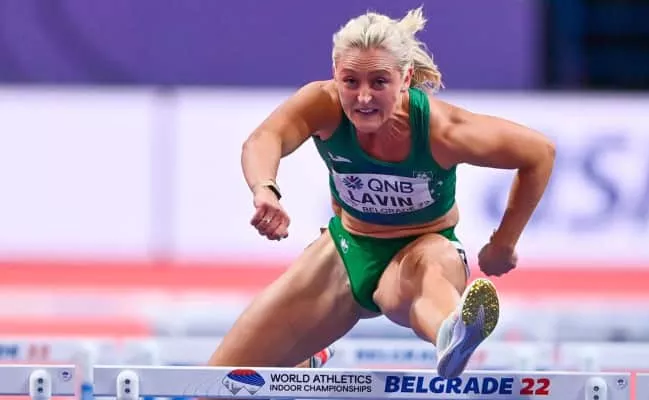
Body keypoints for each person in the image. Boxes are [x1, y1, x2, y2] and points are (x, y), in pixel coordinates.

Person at [208, 7, 555, 379]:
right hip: (347, 251)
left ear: (405, 79)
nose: (363, 97)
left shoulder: (442, 130)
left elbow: (539, 153)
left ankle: (452, 332)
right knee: (216, 383)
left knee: (428, 271)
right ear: (335, 74)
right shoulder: (322, 105)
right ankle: (303, 361)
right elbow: (265, 138)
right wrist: (265, 188)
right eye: (350, 81)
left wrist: (503, 243)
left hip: (422, 247)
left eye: (379, 82)